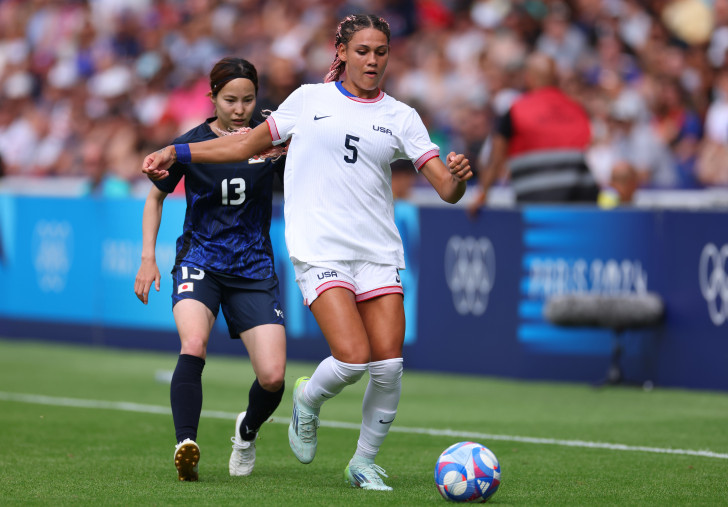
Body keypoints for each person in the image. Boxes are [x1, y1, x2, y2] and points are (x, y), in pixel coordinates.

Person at [143, 14, 471, 491]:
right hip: (320, 249)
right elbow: (247, 144)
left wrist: (458, 176)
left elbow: (446, 189)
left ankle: (362, 462)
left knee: (390, 365)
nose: (373, 60)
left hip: (377, 249)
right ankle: (308, 401)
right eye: (362, 51)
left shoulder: (401, 116)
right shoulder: (308, 100)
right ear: (340, 52)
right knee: (354, 358)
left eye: (381, 51)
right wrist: (181, 153)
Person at [134, 57, 287, 481]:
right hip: (200, 259)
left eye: (249, 99)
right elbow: (155, 197)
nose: (240, 109)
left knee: (274, 378)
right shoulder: (191, 143)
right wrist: (149, 257)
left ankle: (247, 430)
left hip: (253, 266)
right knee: (194, 343)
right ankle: (187, 443)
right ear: (213, 97)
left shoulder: (273, 139)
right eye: (230, 100)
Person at [468, 51, 598, 214]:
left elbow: (495, 160)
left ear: (529, 78)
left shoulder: (516, 111)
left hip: (537, 202)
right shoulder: (578, 110)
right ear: (556, 79)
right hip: (582, 202)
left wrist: (482, 194)